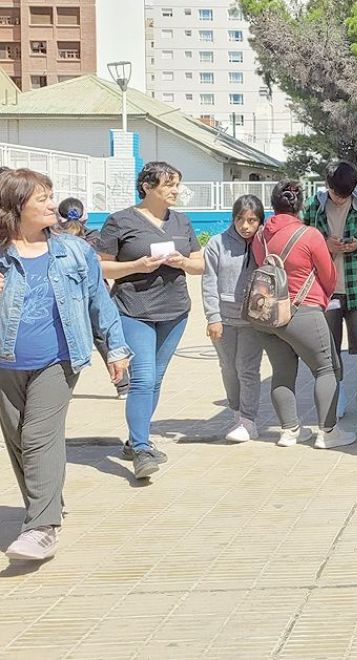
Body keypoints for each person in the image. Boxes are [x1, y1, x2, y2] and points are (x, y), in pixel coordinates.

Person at [0, 169, 130, 560]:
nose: (52, 204)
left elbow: (98, 302)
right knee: (19, 441)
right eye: (41, 198)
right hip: (6, 363)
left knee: (39, 435)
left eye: (50, 195)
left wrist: (116, 350)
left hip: (57, 361)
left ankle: (42, 527)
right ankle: (45, 505)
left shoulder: (74, 251)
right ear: (16, 206)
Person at [97, 161, 203, 481]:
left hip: (175, 311)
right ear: (147, 187)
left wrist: (182, 260)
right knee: (142, 378)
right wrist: (136, 266)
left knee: (155, 379)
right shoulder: (120, 221)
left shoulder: (182, 222)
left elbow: (199, 264)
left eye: (176, 184)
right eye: (168, 184)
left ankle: (134, 439)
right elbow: (101, 268)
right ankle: (142, 449)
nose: (175, 190)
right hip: (133, 309)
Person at [251, 181, 356, 450]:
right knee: (326, 368)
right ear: (299, 206)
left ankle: (289, 431)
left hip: (267, 316)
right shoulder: (309, 235)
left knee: (282, 373)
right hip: (302, 310)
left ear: (273, 204)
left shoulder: (261, 235)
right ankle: (328, 432)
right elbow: (329, 276)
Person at [301, 161, 357, 419]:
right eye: (336, 194)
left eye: (346, 195)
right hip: (325, 290)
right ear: (327, 187)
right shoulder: (313, 205)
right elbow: (301, 242)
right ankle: (338, 394)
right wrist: (324, 244)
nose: (341, 199)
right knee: (329, 348)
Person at [202, 195, 265, 443]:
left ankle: (249, 421)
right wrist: (212, 317)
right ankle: (237, 413)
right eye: (241, 219)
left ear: (260, 220)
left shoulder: (263, 243)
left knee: (247, 370)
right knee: (228, 368)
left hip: (253, 321)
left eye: (252, 220)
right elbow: (209, 282)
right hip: (224, 320)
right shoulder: (217, 244)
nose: (246, 226)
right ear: (233, 218)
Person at [55, 198, 128, 399]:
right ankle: (123, 385)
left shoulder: (51, 240)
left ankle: (59, 386)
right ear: (84, 217)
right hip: (96, 292)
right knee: (102, 336)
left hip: (66, 296)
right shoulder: (94, 238)